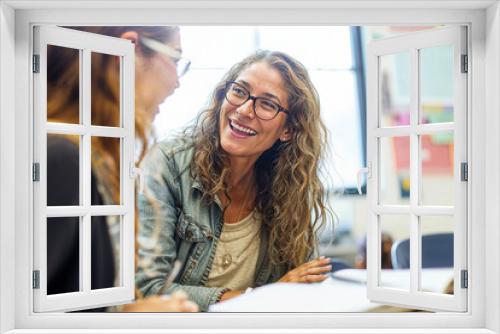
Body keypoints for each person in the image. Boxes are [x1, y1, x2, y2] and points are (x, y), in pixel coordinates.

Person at [136, 50, 334, 312]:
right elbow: (148, 289)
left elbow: (299, 287)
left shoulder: (289, 188)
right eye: (240, 91)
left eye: (267, 104)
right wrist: (260, 297)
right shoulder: (169, 164)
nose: (243, 110)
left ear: (288, 130)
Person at [47, 26, 197, 312]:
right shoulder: (61, 161)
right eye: (175, 60)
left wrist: (136, 312)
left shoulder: (93, 158)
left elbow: (71, 304)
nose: (177, 82)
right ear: (127, 52)